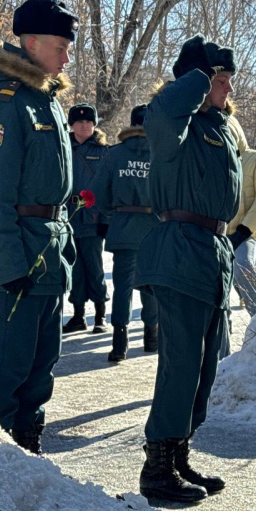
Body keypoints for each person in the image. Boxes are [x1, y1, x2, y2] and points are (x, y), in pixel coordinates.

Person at [0, 0, 78, 455]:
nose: (66, 57)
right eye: (59, 46)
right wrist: (9, 265)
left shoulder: (45, 102)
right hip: (20, 254)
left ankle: (27, 450)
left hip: (47, 250)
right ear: (29, 42)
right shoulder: (5, 105)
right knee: (10, 364)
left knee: (43, 361)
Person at [134, 34, 241, 503]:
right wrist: (197, 76)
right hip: (178, 248)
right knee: (180, 363)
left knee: (203, 363)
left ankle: (178, 453)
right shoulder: (174, 123)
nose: (227, 90)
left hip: (209, 250)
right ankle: (156, 468)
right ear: (196, 84)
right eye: (220, 81)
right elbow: (159, 115)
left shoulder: (216, 126)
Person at [91, 104, 159, 362]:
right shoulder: (161, 152)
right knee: (150, 284)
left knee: (123, 287)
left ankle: (119, 342)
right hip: (154, 226)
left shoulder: (114, 153)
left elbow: (99, 192)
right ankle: (152, 336)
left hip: (123, 226)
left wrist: (114, 210)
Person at [221, 117, 256, 357]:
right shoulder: (215, 161)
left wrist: (243, 231)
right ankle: (221, 348)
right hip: (218, 234)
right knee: (217, 284)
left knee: (242, 264)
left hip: (246, 233)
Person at [62, 103, 109, 334]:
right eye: (80, 122)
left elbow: (109, 187)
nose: (84, 125)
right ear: (71, 124)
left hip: (93, 217)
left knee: (94, 266)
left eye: (89, 122)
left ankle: (100, 315)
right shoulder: (62, 147)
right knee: (73, 267)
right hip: (67, 216)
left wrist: (106, 219)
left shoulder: (104, 150)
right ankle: (78, 315)